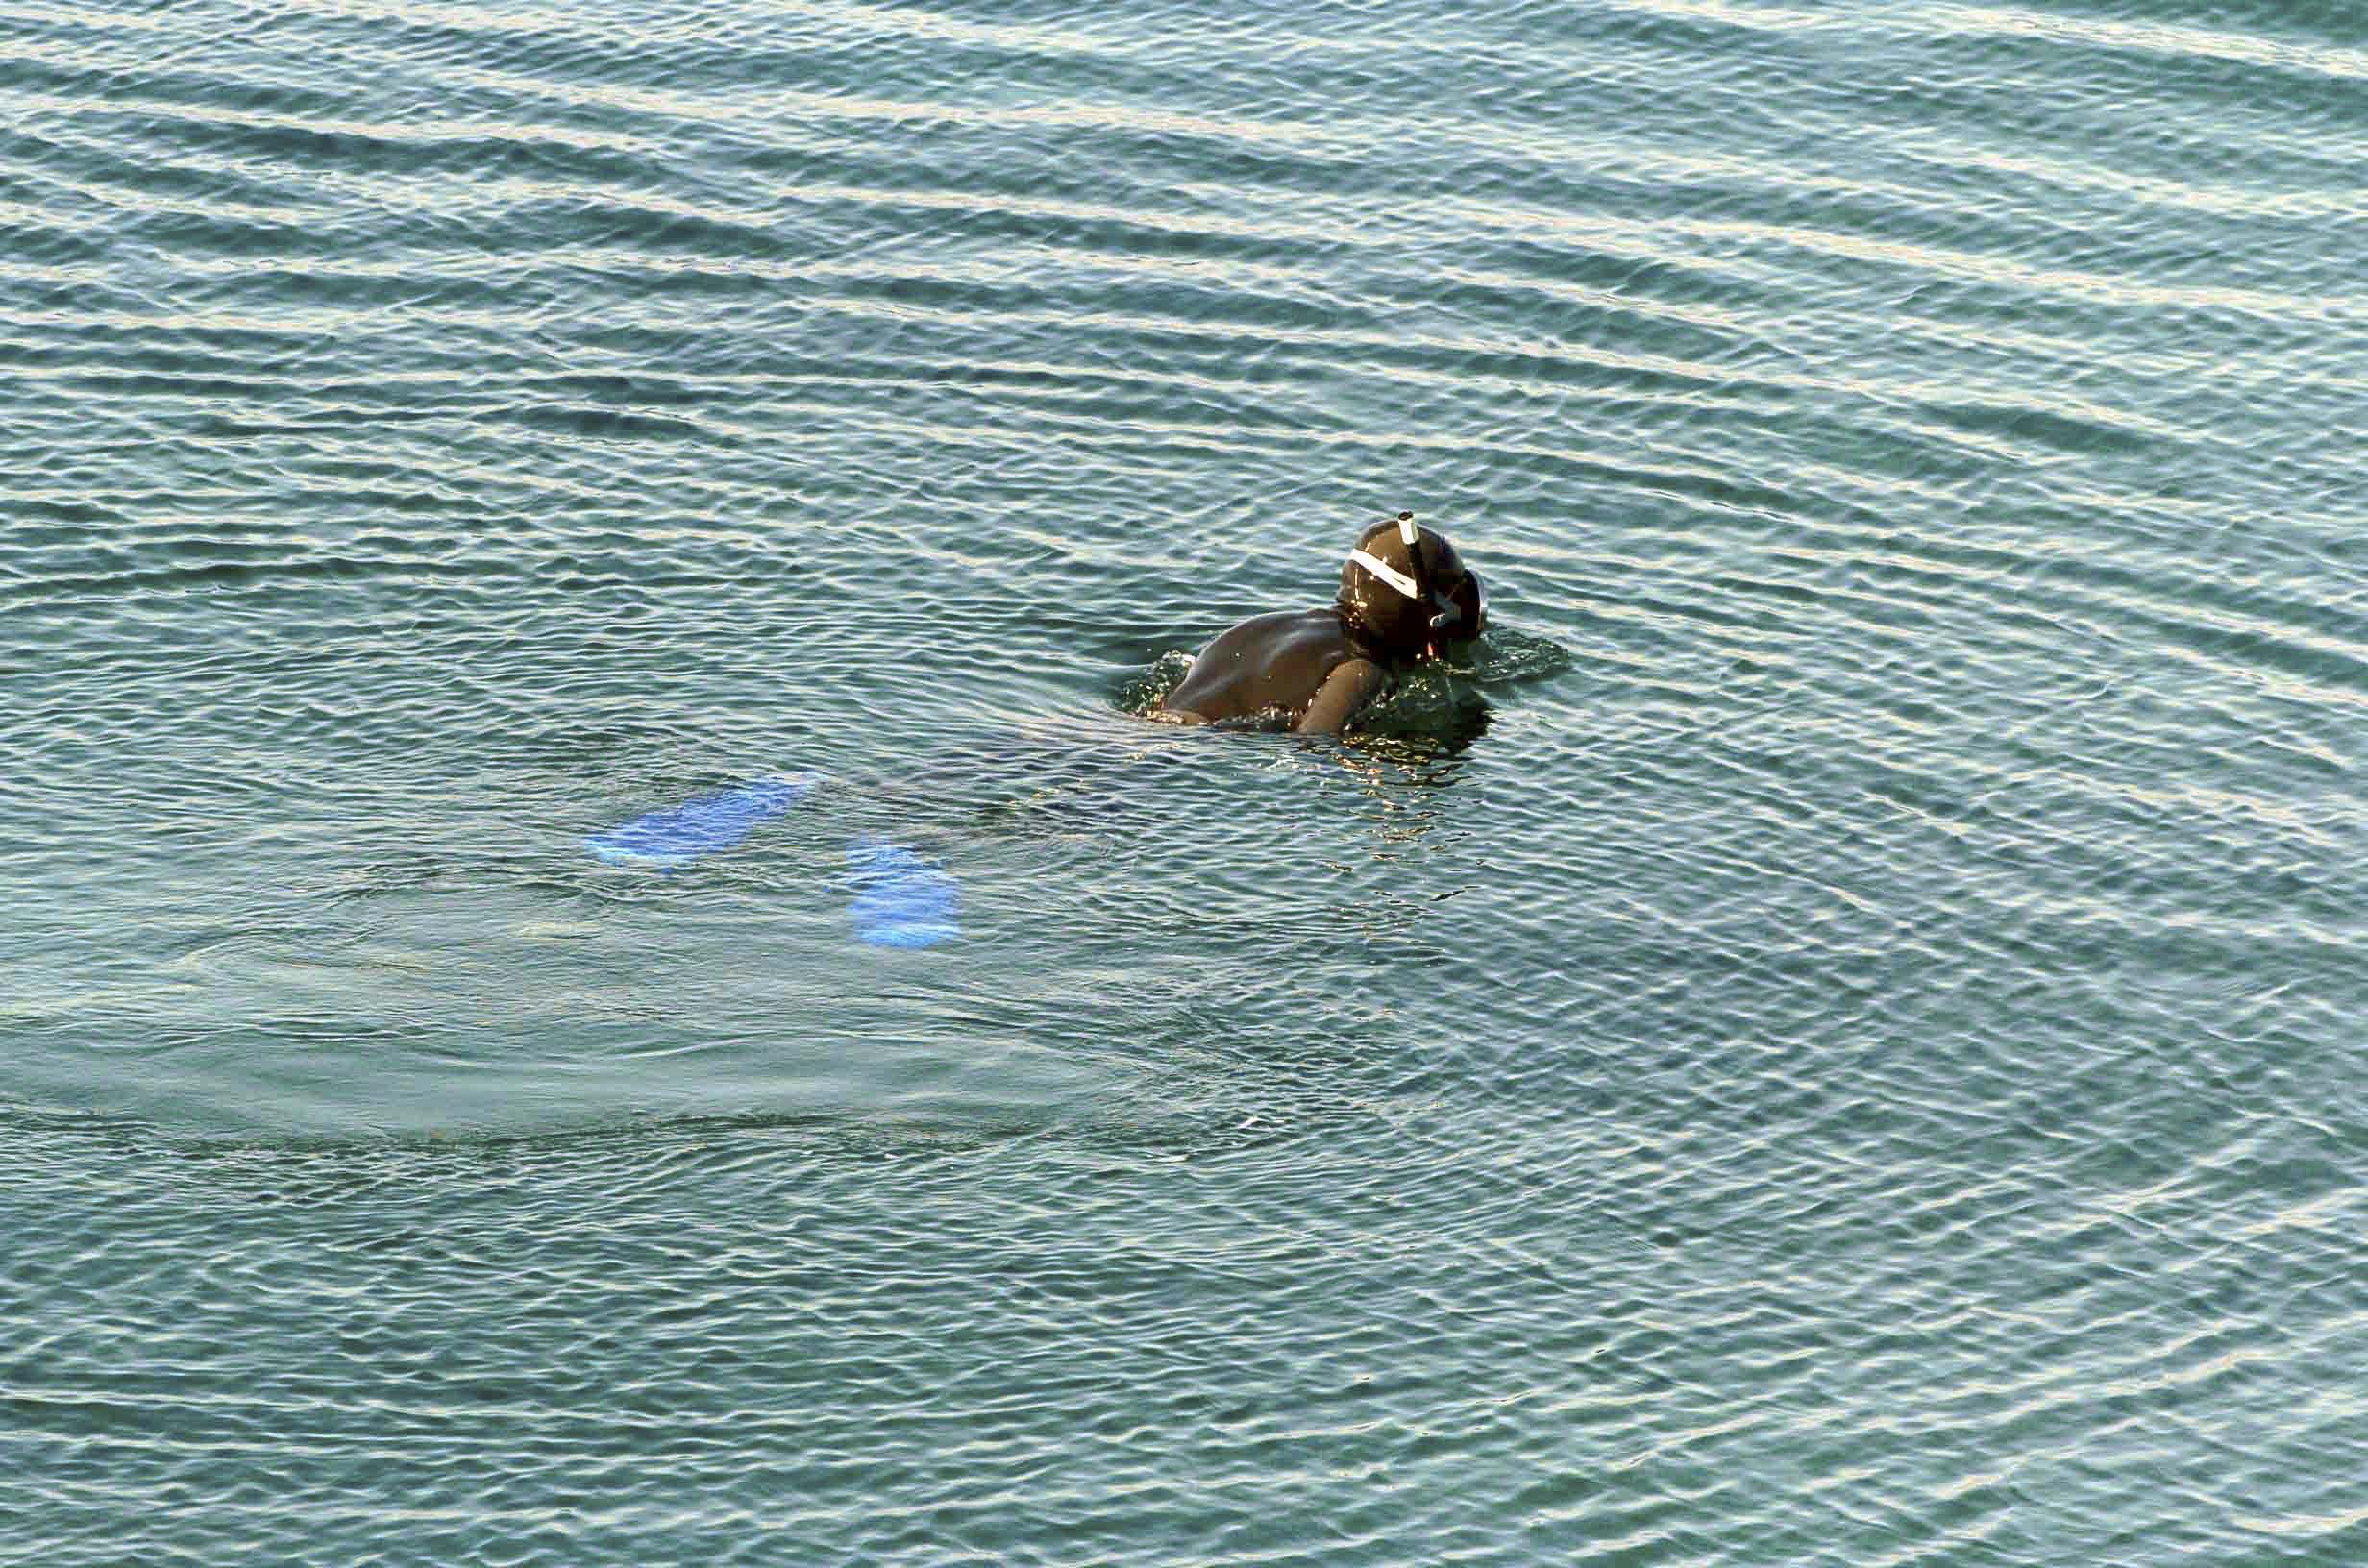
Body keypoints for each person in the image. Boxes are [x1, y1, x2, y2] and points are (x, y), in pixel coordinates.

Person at [1153, 512, 1487, 734]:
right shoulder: (1361, 670)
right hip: (1181, 755)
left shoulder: (1265, 625)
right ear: (1422, 610)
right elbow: (1313, 743)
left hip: (1141, 731)